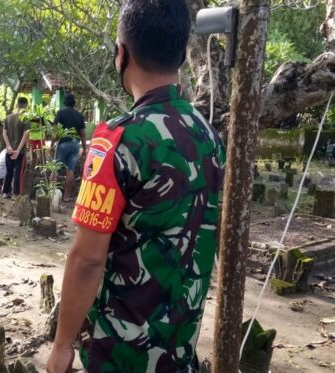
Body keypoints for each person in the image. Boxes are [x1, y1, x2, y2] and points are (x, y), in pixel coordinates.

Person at [46, 1, 225, 372]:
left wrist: (62, 345)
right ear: (180, 52)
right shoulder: (209, 134)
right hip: (180, 348)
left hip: (122, 352)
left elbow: (88, 259)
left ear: (121, 54)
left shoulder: (119, 138)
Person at [52, 93, 87, 201]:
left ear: (64, 103)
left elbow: (56, 131)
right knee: (70, 170)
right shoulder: (79, 115)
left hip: (63, 143)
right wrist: (84, 148)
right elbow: (83, 134)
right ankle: (66, 196)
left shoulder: (60, 113)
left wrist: (52, 143)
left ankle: (51, 193)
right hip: (75, 145)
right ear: (74, 103)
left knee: (55, 168)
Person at [2, 97, 30, 199]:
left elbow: (4, 133)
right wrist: (18, 150)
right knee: (18, 172)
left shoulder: (8, 117)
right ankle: (16, 194)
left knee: (9, 171)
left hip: (9, 150)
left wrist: (9, 146)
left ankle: (6, 192)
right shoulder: (26, 119)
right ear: (26, 105)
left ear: (17, 105)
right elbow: (25, 135)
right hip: (20, 151)